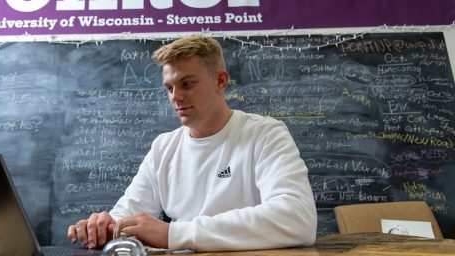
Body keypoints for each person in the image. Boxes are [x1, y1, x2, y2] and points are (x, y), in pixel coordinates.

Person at [67, 34, 317, 252]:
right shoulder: (163, 147)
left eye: (187, 84)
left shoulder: (265, 134)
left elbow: (297, 218)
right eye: (169, 88)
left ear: (220, 81)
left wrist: (173, 235)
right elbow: (127, 214)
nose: (176, 97)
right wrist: (104, 227)